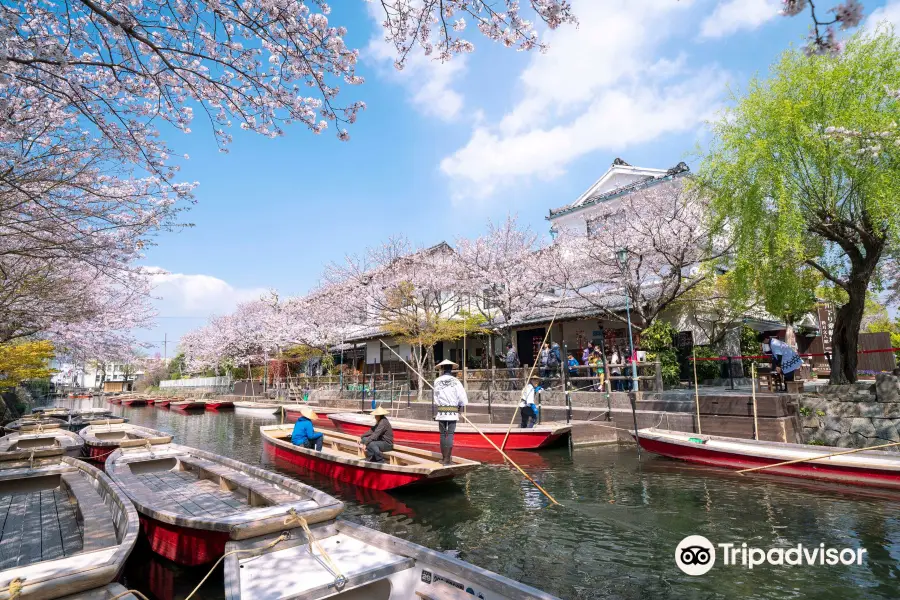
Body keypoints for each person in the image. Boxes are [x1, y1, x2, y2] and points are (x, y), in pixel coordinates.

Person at [433, 359, 469, 465]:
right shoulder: (456, 381)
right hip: (453, 411)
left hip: (441, 411)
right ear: (451, 369)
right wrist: (459, 405)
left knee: (442, 434)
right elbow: (462, 397)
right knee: (450, 434)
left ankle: (444, 459)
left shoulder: (437, 381)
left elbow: (436, 399)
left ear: (443, 369)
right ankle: (448, 460)